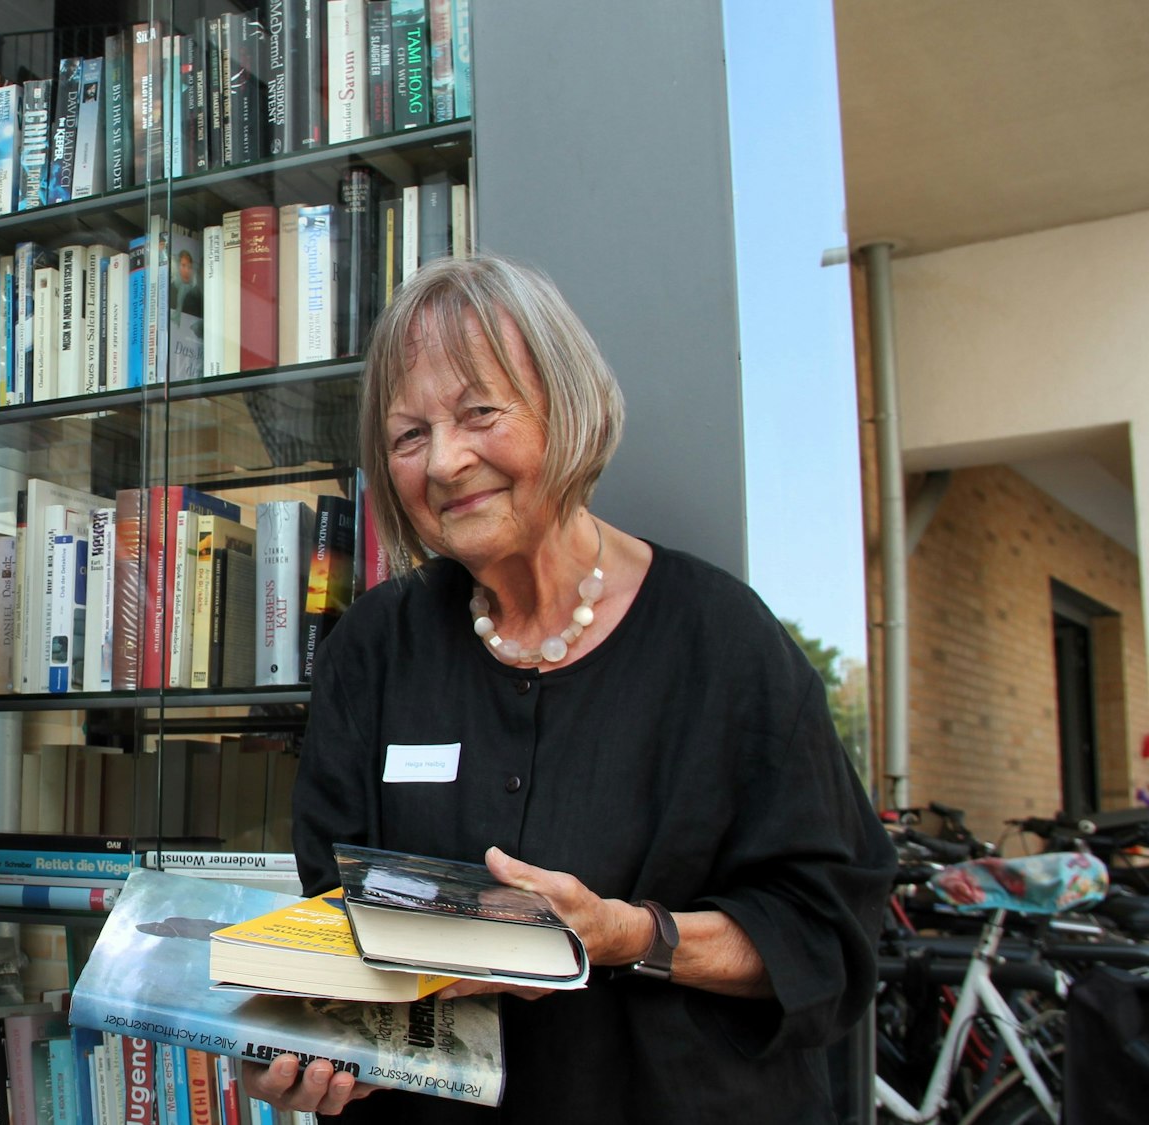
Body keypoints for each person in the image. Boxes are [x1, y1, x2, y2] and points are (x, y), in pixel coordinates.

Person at [247, 255, 894, 1122]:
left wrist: (630, 935)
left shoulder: (723, 641)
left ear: (568, 405)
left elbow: (826, 937)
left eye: (479, 412)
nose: (445, 461)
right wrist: (303, 1040)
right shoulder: (374, 648)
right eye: (409, 436)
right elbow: (336, 923)